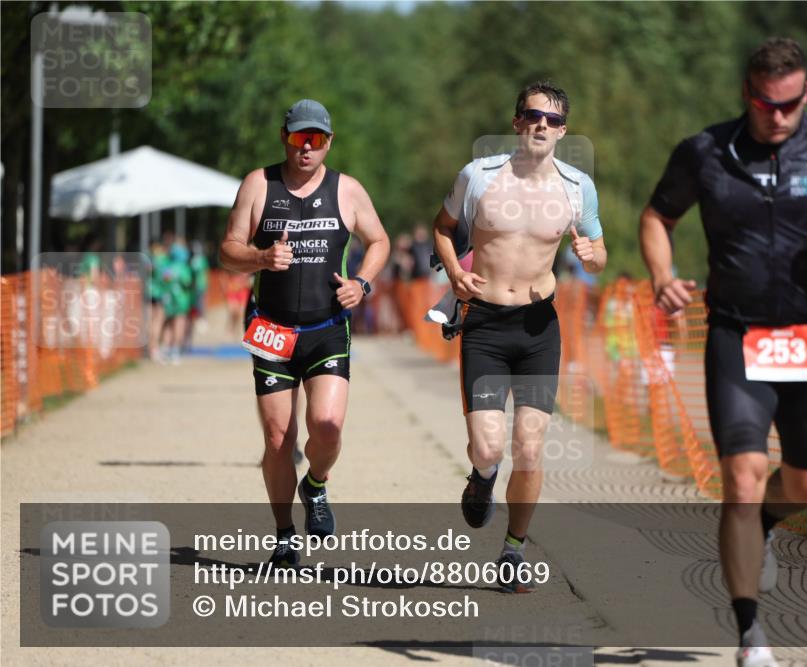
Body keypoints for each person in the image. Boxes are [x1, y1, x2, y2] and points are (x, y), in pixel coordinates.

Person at [639, 38, 807, 667]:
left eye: (790, 104)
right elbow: (657, 217)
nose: (778, 116)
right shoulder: (705, 152)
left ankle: (763, 525)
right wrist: (661, 275)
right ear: (747, 94)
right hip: (735, 333)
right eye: (766, 104)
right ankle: (750, 634)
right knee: (741, 477)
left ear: (805, 94)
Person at [432, 81, 606, 593]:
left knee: (529, 447)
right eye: (532, 115)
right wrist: (453, 273)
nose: (541, 126)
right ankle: (483, 477)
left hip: (537, 328)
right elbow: (442, 228)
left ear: (563, 131)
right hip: (485, 324)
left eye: (552, 120)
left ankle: (513, 550)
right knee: (487, 447)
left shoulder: (576, 187)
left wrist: (590, 256)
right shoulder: (478, 177)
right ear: (516, 122)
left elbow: (598, 252)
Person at [220, 99, 390, 566]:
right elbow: (228, 250)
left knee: (328, 427)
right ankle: (284, 534)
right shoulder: (259, 184)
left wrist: (362, 283)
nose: (307, 148)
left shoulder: (347, 190)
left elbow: (379, 240)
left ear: (329, 142)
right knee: (278, 438)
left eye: (316, 139)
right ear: (285, 138)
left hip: (327, 327)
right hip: (271, 330)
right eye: (299, 138)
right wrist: (259, 258)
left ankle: (315, 483)